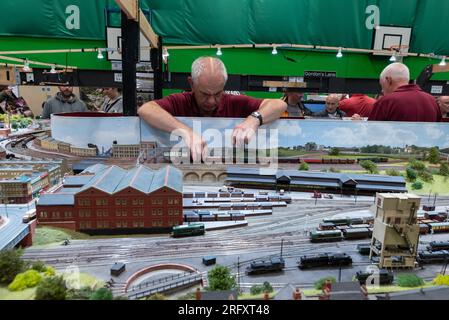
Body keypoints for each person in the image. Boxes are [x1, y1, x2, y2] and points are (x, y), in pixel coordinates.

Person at [137, 56, 287, 162]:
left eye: (217, 93)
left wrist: (254, 119)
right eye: (204, 94)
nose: (211, 101)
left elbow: (279, 105)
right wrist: (186, 132)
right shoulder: (179, 101)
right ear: (191, 84)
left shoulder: (235, 102)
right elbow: (146, 109)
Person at [369, 63, 441, 122]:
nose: (382, 90)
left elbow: (372, 132)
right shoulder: (432, 101)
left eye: (382, 85)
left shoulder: (386, 101)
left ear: (389, 80)